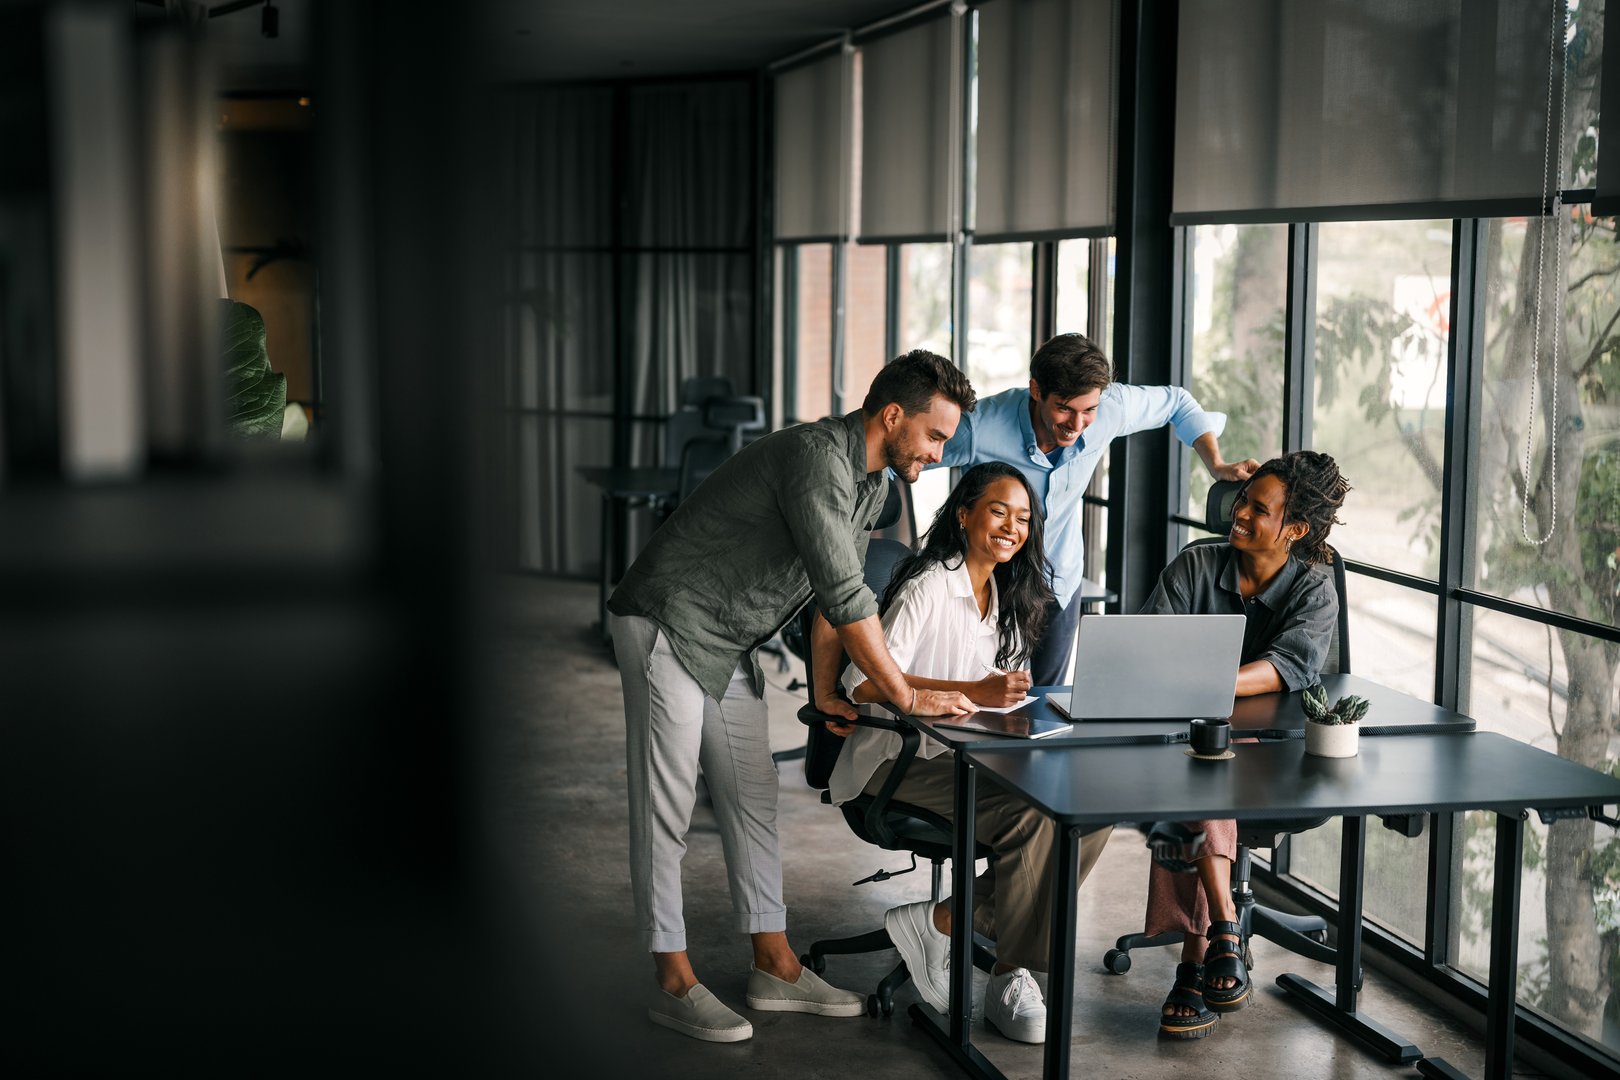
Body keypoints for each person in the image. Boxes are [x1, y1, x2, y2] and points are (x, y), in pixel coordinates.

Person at [607, 350, 978, 1044]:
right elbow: (845, 591)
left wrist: (824, 687)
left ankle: (774, 965)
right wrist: (905, 697)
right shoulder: (816, 459)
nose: (938, 453)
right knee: (667, 808)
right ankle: (672, 979)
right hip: (668, 618)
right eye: (934, 436)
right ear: (893, 416)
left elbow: (825, 601)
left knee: (753, 800)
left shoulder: (873, 488)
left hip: (729, 640)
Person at [812, 462, 1113, 1045]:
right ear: (964, 513)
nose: (1012, 526)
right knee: (1031, 818)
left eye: (1023, 518)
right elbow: (863, 682)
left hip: (967, 755)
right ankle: (1009, 968)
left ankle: (944, 923)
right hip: (893, 763)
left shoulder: (1005, 591)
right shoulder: (929, 583)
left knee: (1089, 810)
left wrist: (1015, 712)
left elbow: (987, 697)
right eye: (999, 511)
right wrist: (976, 694)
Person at [1140, 450, 1351, 1039]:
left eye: (1260, 509)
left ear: (1296, 529)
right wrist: (1194, 687)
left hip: (1278, 753)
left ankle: (1192, 959)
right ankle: (1221, 933)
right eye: (1243, 500)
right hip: (1194, 744)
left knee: (1202, 767)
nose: (1240, 514)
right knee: (1201, 764)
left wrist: (1200, 679)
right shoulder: (1195, 566)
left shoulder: (1314, 585)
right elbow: (1150, 652)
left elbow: (1287, 668)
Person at [936, 333, 1260, 686]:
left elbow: (1178, 403)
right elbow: (900, 458)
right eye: (1064, 408)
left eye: (1088, 410)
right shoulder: (979, 428)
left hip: (1058, 578)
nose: (1076, 426)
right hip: (990, 582)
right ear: (1035, 390)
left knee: (1047, 699)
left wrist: (1215, 464)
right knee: (977, 693)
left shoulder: (1112, 408)